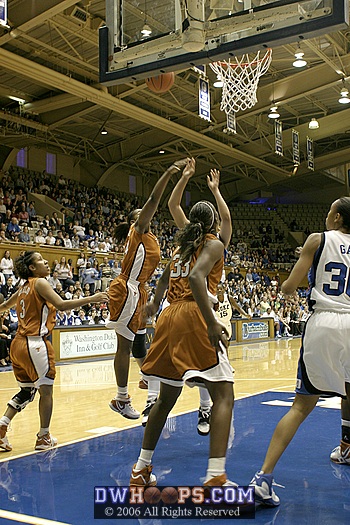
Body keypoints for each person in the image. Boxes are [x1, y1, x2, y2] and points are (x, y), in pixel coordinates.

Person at [250, 197, 350, 506]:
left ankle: (263, 478)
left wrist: (308, 265)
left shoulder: (317, 240)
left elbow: (288, 288)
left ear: (336, 218)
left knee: (302, 405)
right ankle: (346, 445)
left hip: (324, 323)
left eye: (328, 211)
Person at [130, 198, 235, 488]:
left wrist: (152, 304)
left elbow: (163, 280)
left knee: (165, 400)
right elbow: (196, 276)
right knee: (224, 394)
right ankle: (216, 476)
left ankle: (140, 470)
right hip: (192, 313)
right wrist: (212, 321)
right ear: (213, 223)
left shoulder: (180, 249)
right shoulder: (213, 244)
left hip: (168, 317)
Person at [0, 251, 108, 453]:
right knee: (46, 391)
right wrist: (92, 298)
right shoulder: (40, 283)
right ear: (32, 268)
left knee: (27, 391)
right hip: (35, 343)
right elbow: (61, 304)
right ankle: (43, 436)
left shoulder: (23, 288)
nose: (45, 262)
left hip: (18, 345)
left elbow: (5, 306)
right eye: (40, 260)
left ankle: (2, 425)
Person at [107, 159, 189, 419]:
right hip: (126, 289)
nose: (148, 214)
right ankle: (121, 397)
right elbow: (154, 199)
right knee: (124, 346)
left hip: (140, 290)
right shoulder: (138, 229)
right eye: (142, 213)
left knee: (141, 342)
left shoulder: (151, 237)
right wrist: (168, 171)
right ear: (136, 220)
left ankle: (145, 377)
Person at [167, 161, 233, 437]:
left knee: (181, 372)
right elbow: (227, 220)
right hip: (202, 308)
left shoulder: (194, 239)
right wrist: (216, 191)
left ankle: (157, 407)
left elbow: (173, 205)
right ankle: (206, 409)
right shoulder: (213, 241)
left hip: (176, 309)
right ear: (213, 222)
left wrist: (184, 178)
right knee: (217, 373)